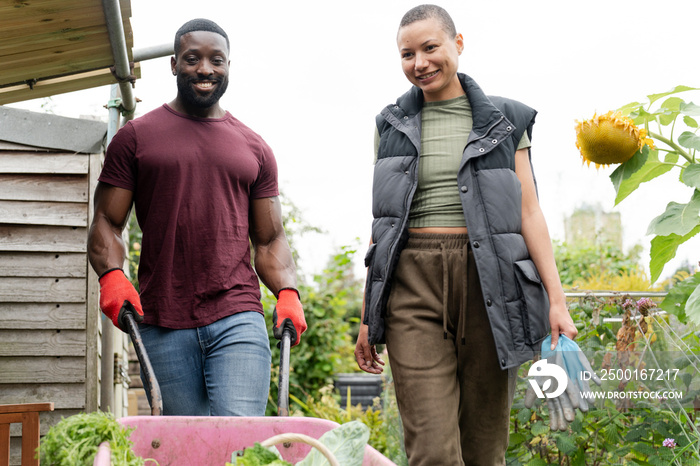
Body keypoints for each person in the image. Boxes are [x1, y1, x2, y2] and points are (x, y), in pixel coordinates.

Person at [354, 5, 577, 465]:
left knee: (483, 450)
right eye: (407, 54)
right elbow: (384, 225)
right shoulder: (389, 124)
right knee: (431, 451)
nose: (419, 63)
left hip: (491, 282)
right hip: (412, 285)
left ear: (458, 43)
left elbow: (529, 212)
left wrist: (556, 299)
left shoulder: (505, 120)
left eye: (430, 48)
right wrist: (366, 313)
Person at [87, 18, 307, 416]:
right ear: (173, 64)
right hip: (163, 319)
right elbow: (106, 221)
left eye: (216, 61)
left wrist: (287, 291)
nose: (205, 69)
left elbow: (270, 239)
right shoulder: (135, 138)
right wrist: (112, 276)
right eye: (193, 59)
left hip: (238, 315)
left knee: (241, 442)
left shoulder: (253, 147)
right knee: (182, 449)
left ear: (227, 67)